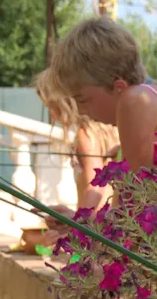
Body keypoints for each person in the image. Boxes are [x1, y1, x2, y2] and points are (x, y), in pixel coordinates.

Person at [49, 17, 157, 172]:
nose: (80, 111)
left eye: (82, 99)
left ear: (117, 87)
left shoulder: (134, 101)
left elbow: (137, 188)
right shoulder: (154, 93)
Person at [34, 69, 118, 212]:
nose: (51, 114)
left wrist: (79, 225)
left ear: (62, 104)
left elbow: (95, 185)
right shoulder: (103, 129)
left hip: (96, 223)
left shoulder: (85, 134)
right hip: (106, 218)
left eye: (50, 107)